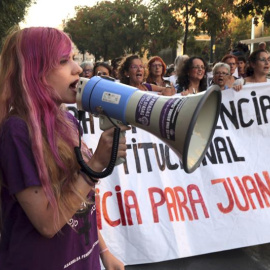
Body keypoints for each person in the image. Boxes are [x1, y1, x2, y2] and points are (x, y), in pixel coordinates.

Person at [0, 27, 128, 270]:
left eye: (72, 58)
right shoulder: (17, 130)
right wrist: (95, 167)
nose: (78, 69)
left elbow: (79, 203)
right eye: (63, 61)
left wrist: (103, 250)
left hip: (83, 259)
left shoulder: (67, 120)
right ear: (34, 72)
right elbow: (48, 223)